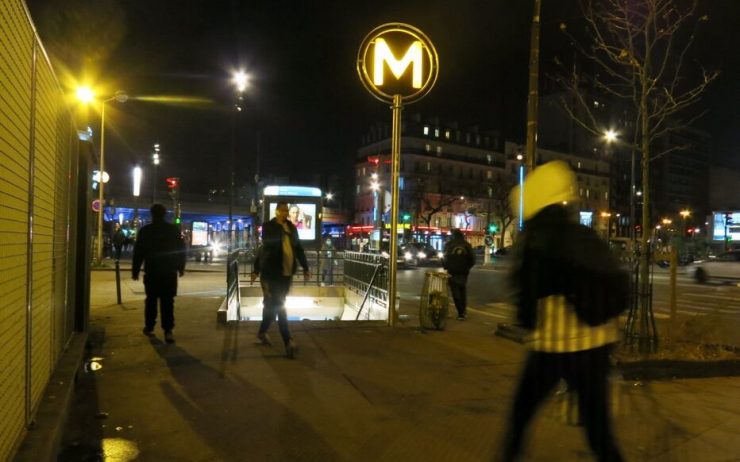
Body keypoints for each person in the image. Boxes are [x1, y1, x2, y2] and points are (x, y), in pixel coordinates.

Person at [501, 161, 627, 462]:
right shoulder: (584, 235)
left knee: (520, 416)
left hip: (552, 345)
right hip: (595, 345)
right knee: (599, 432)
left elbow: (526, 300)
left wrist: (528, 319)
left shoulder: (538, 237)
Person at [251, 201, 310, 358]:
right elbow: (267, 247)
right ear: (277, 211)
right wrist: (256, 270)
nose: (285, 213)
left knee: (271, 305)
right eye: (282, 210)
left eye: (286, 211)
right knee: (280, 305)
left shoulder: (291, 227)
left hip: (287, 273)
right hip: (272, 273)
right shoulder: (269, 226)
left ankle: (262, 332)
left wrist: (305, 267)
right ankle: (288, 341)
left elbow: (298, 248)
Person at [132, 204, 186, 344]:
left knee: (151, 300)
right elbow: (181, 249)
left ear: (152, 214)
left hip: (152, 271)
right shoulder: (172, 230)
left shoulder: (146, 231)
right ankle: (168, 331)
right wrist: (181, 267)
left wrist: (135, 270)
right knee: (168, 302)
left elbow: (139, 252)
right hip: (169, 272)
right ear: (164, 214)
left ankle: (149, 327)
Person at [442, 229, 476, 320]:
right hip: (464, 272)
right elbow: (473, 259)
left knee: (455, 292)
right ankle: (463, 311)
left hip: (452, 271)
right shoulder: (467, 245)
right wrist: (467, 267)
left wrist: (446, 266)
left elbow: (444, 258)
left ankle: (460, 312)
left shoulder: (449, 245)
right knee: (462, 290)